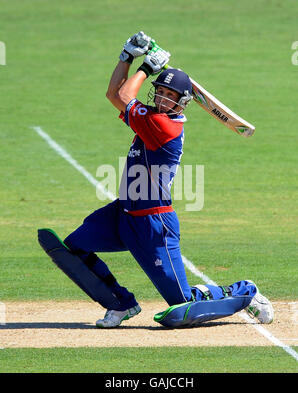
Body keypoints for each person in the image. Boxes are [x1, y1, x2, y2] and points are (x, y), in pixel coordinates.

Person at [61, 32, 273, 328]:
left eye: (169, 95)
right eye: (159, 91)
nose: (161, 97)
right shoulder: (150, 115)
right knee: (74, 246)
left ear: (183, 102)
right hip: (123, 213)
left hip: (153, 225)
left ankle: (246, 292)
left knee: (181, 303)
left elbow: (124, 97)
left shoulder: (164, 126)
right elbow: (114, 95)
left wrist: (146, 68)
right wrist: (126, 56)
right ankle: (120, 303)